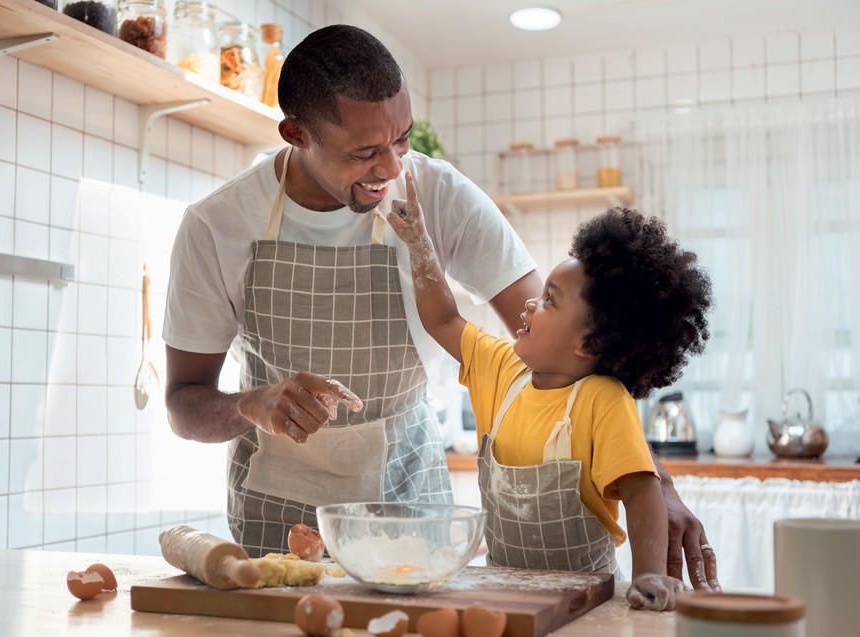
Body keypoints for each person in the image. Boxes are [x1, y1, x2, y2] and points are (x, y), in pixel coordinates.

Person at [161, 23, 720, 591]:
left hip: (412, 516)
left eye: (401, 140)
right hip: (277, 521)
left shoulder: (441, 197)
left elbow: (576, 355)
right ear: (296, 133)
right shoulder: (217, 226)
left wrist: (656, 484)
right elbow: (184, 407)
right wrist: (253, 404)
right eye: (365, 152)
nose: (392, 168)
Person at [384, 189, 712, 609]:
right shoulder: (501, 368)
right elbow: (443, 319)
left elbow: (641, 489)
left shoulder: (602, 400)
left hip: (587, 601)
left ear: (589, 343)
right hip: (508, 593)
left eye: (549, 300)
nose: (530, 304)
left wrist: (648, 574)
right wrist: (419, 245)